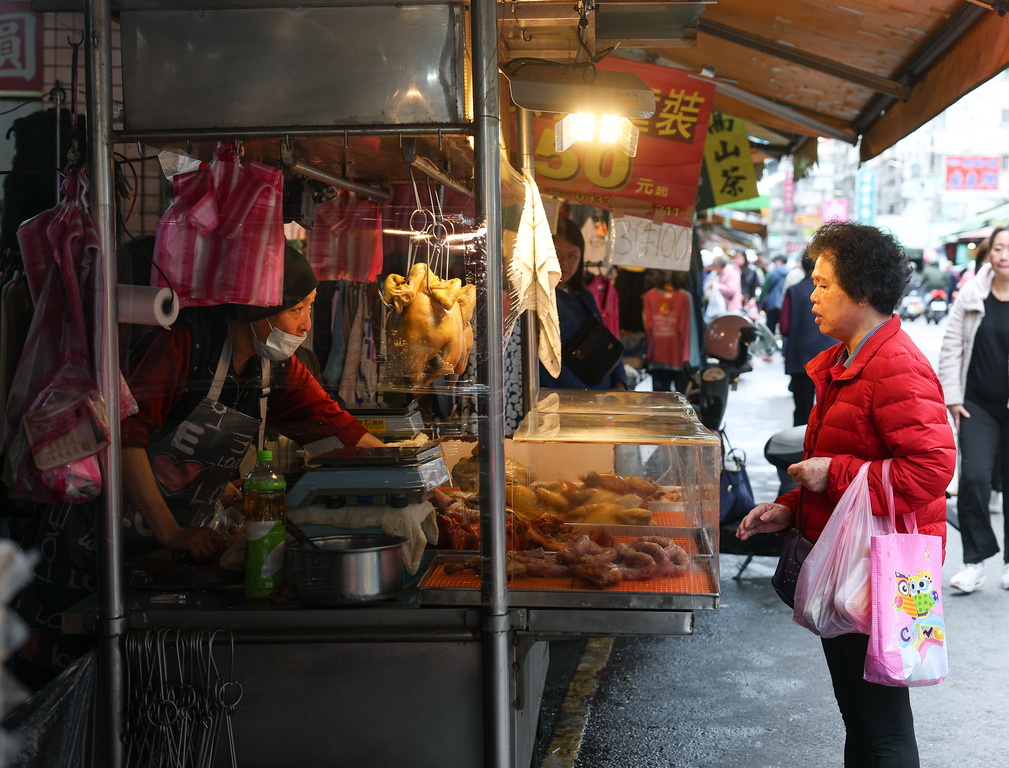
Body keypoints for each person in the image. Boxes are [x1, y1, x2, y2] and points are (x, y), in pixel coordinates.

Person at [10, 244, 385, 689]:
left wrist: (412, 478)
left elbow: (338, 431)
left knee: (137, 687)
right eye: (297, 309)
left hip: (160, 560)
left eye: (310, 308)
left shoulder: (274, 370)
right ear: (257, 308)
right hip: (90, 546)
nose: (306, 324)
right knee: (62, 689)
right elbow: (125, 438)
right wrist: (172, 531)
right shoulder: (186, 343)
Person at [736, 222, 955, 767]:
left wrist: (833, 473)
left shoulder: (896, 365)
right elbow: (840, 463)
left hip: (882, 570)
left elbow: (930, 470)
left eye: (823, 284)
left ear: (861, 291)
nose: (812, 295)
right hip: (851, 562)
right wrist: (788, 510)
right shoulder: (847, 360)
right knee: (860, 718)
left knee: (881, 727)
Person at [938, 226, 1009, 593]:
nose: (1004, 255)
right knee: (975, 479)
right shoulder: (971, 293)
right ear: (989, 252)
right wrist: (953, 397)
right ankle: (974, 561)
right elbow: (951, 346)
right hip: (977, 405)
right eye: (998, 248)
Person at [539, 216, 627, 390]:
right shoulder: (538, 300)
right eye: (556, 254)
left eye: (572, 255)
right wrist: (590, 397)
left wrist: (620, 383)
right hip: (573, 400)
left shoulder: (583, 293)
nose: (564, 262)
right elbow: (548, 365)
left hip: (606, 396)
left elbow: (606, 340)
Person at [780, 251, 837, 426]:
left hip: (801, 358)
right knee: (830, 411)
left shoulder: (793, 291)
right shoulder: (835, 290)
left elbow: (784, 327)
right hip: (831, 355)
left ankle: (802, 443)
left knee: (802, 411)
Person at [641, 270, 697, 393]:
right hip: (671, 358)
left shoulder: (684, 298)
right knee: (676, 398)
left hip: (664, 358)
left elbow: (688, 330)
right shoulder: (649, 297)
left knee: (662, 398)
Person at [758, 255, 790, 334]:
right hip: (785, 304)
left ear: (779, 261)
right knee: (784, 327)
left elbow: (765, 288)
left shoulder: (773, 272)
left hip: (773, 303)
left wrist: (760, 300)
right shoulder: (790, 272)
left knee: (770, 328)